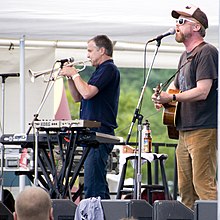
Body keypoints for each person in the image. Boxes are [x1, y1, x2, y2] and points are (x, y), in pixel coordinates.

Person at [151, 4, 218, 209]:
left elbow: (203, 90)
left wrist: (171, 99)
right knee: (185, 190)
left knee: (203, 185)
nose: (176, 26)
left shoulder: (207, 52)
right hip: (183, 131)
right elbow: (176, 88)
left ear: (196, 27)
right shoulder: (184, 56)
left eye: (181, 21)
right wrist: (162, 98)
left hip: (203, 128)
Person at [60, 35, 120, 199]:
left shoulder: (109, 68)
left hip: (99, 133)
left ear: (102, 51)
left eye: (90, 50)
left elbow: (87, 93)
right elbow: (77, 97)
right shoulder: (99, 71)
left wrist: (74, 74)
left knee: (94, 187)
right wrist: (70, 79)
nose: (87, 55)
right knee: (96, 182)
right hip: (92, 133)